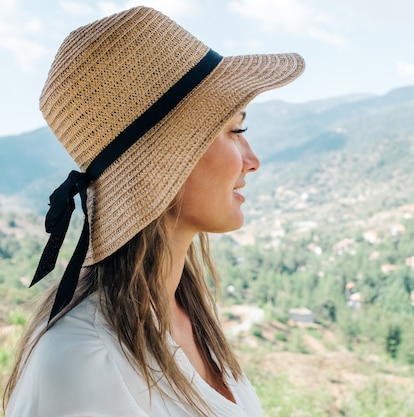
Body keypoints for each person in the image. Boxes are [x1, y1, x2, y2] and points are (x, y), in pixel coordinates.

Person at [3, 6, 304, 417]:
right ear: (167, 158)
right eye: (236, 130)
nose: (253, 160)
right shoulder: (86, 362)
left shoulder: (184, 313)